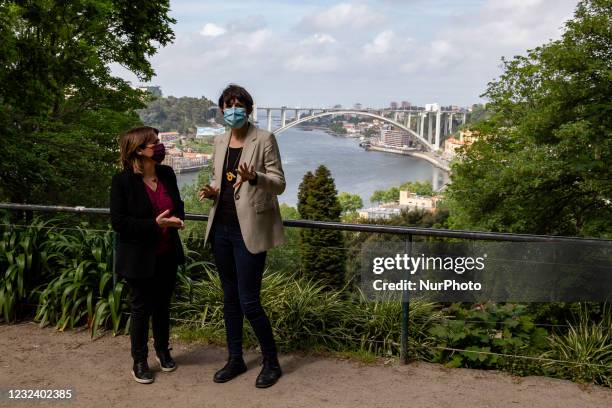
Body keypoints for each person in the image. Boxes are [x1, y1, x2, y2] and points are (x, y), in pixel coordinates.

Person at [199, 84, 286, 388]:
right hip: (221, 228)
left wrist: (255, 177)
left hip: (249, 230)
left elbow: (278, 184)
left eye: (238, 104)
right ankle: (235, 359)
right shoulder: (220, 140)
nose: (232, 109)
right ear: (222, 109)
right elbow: (219, 181)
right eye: (227, 104)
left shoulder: (264, 139)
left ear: (248, 109)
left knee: (249, 300)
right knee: (230, 299)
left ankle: (271, 362)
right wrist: (212, 191)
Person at [110, 126, 186, 384]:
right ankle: (139, 360)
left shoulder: (166, 173)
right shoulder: (122, 181)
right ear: (139, 150)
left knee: (163, 306)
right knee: (141, 308)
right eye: (154, 142)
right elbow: (119, 223)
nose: (160, 145)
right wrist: (156, 225)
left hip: (166, 253)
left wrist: (176, 220)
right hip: (138, 257)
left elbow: (179, 206)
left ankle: (163, 351)